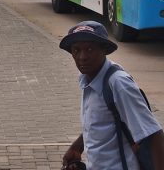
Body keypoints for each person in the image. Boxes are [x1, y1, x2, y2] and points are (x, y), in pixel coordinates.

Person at [60, 21, 164, 170]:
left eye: (90, 49)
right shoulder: (87, 78)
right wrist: (77, 147)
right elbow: (101, 123)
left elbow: (154, 134)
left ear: (104, 50)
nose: (82, 57)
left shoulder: (118, 83)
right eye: (76, 50)